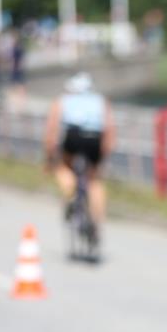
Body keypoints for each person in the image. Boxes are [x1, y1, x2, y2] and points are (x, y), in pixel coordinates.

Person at [43, 72, 115, 250]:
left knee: (63, 167)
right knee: (95, 181)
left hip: (73, 138)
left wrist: (50, 158)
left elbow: (52, 130)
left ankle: (71, 192)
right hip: (94, 139)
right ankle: (96, 224)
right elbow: (110, 130)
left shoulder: (63, 100)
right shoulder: (100, 101)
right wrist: (102, 157)